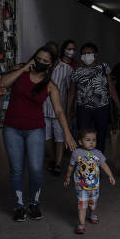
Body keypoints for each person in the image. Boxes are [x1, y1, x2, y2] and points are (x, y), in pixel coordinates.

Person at [0, 46, 76, 222]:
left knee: (35, 169)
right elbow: (3, 83)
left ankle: (34, 203)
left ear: (51, 65)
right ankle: (19, 206)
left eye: (45, 61)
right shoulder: (20, 71)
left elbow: (59, 111)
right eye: (38, 59)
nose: (41, 63)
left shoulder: (50, 85)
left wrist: (67, 134)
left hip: (35, 130)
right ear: (33, 58)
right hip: (12, 129)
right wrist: (24, 68)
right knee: (17, 169)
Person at [68, 42, 120, 154]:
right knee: (84, 137)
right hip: (83, 109)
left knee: (101, 136)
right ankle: (86, 162)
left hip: (102, 108)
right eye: (84, 53)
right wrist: (68, 112)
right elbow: (71, 93)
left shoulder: (104, 68)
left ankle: (98, 162)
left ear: (96, 54)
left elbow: (112, 89)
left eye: (89, 53)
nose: (86, 55)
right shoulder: (76, 71)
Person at [63, 127, 116, 234]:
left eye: (94, 140)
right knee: (82, 204)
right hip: (81, 186)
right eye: (88, 140)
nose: (91, 142)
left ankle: (92, 214)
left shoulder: (98, 153)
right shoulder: (76, 153)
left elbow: (104, 165)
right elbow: (70, 166)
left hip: (94, 185)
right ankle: (81, 224)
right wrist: (68, 177)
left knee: (93, 203)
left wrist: (110, 175)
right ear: (80, 142)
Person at [43, 40, 75, 175]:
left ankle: (57, 163)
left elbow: (70, 91)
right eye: (48, 50)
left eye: (53, 50)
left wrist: (68, 111)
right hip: (43, 109)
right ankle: (52, 158)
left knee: (60, 137)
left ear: (58, 52)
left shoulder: (67, 69)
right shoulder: (42, 67)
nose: (51, 53)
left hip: (59, 110)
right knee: (46, 137)